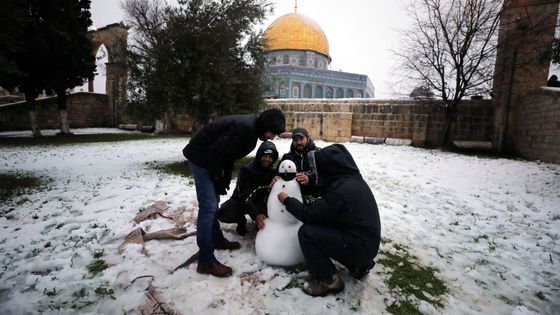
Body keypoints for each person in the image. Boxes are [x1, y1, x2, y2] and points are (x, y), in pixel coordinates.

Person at [183, 108, 285, 278]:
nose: (272, 137)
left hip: (211, 158)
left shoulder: (251, 133)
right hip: (200, 157)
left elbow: (229, 155)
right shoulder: (245, 129)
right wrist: (216, 177)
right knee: (208, 206)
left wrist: (225, 177)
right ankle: (206, 260)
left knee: (212, 202)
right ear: (266, 125)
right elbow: (215, 151)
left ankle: (216, 239)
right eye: (272, 132)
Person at [277, 144, 381, 297]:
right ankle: (359, 266)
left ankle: (328, 280)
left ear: (330, 167)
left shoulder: (342, 190)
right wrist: (309, 182)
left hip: (359, 245)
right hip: (367, 243)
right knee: (325, 225)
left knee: (307, 233)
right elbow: (329, 190)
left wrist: (287, 200)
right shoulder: (351, 179)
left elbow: (309, 214)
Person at [218, 140, 279, 236]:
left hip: (260, 201)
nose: (267, 159)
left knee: (269, 215)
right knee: (224, 213)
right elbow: (244, 195)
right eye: (264, 156)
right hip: (242, 200)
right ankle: (241, 220)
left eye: (270, 157)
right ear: (259, 155)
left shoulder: (273, 170)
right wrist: (256, 214)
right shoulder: (246, 170)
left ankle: (260, 222)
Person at [278, 127, 321, 199]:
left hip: (315, 197)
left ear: (307, 138)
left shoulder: (318, 154)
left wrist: (309, 179)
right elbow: (278, 174)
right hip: (292, 199)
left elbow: (327, 176)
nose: (298, 142)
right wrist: (276, 177)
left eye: (301, 139)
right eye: (295, 140)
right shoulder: (287, 158)